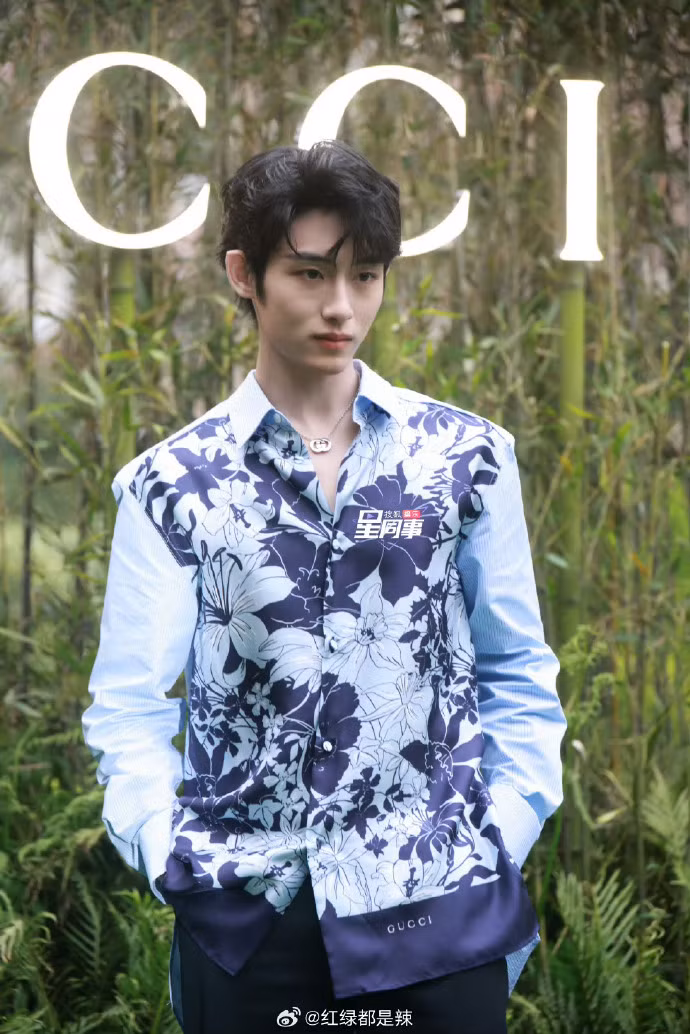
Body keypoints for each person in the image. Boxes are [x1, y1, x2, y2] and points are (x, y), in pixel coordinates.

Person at [82, 139, 567, 1034]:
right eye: (309, 274)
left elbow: (518, 672)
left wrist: (502, 832)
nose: (341, 306)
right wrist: (170, 855)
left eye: (365, 276)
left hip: (439, 899)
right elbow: (129, 705)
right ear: (245, 275)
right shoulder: (171, 483)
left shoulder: (466, 459)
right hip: (249, 915)